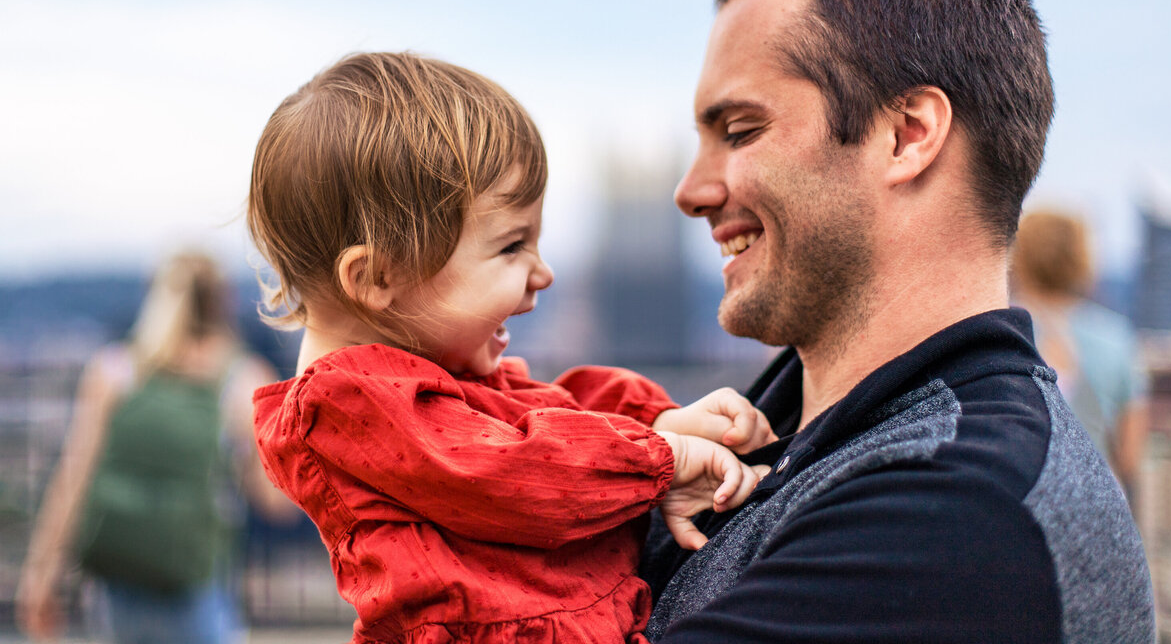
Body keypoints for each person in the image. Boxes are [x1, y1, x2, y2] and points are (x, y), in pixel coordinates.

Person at [639, 0, 1155, 642]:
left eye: (741, 131)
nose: (691, 191)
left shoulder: (958, 507)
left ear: (907, 135)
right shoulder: (783, 433)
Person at [246, 51, 774, 644]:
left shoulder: (437, 378)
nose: (542, 272)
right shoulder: (345, 403)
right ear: (377, 278)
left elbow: (542, 408)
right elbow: (515, 470)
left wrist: (658, 419)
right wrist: (662, 456)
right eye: (511, 247)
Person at [17, 251, 296, 644]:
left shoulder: (115, 370)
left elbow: (72, 481)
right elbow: (275, 503)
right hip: (194, 589)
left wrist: (41, 574)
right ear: (222, 303)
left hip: (116, 580)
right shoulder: (241, 381)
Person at [1012, 208, 1150, 497]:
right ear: (1083, 260)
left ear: (1019, 257)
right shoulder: (1116, 338)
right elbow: (1128, 457)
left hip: (1019, 501)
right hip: (1098, 505)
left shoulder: (999, 330)